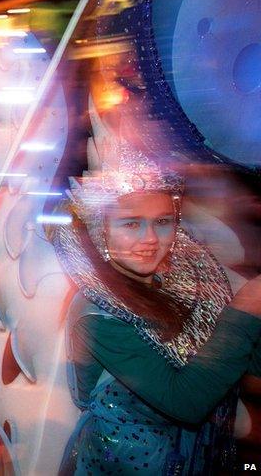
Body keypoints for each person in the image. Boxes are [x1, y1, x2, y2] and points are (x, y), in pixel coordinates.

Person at [52, 142, 261, 475]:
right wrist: (246, 308)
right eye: (131, 224)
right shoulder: (97, 316)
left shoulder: (176, 284)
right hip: (126, 465)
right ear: (101, 230)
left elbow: (239, 360)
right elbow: (186, 403)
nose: (151, 238)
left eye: (163, 221)